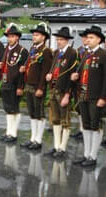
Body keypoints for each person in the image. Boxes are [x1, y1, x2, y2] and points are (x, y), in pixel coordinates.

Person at [71, 25, 106, 167]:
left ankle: (93, 156)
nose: (88, 40)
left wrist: (103, 97)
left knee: (95, 126)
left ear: (99, 39)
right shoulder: (86, 54)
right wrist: (76, 77)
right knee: (86, 125)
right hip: (83, 95)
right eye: (87, 37)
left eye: (91, 37)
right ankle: (86, 154)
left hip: (96, 96)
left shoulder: (105, 55)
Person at [45, 26, 78, 159]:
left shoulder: (72, 53)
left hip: (64, 91)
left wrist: (68, 94)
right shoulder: (56, 53)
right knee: (55, 119)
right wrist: (50, 76)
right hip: (54, 89)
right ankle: (56, 145)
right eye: (58, 39)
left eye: (62, 39)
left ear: (67, 40)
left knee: (65, 120)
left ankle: (63, 148)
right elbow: (54, 70)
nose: (59, 42)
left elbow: (72, 76)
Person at [20, 23, 52, 150]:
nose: (34, 37)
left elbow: (45, 71)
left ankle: (38, 140)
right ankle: (32, 138)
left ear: (43, 37)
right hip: (29, 84)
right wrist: (24, 67)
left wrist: (41, 88)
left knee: (39, 113)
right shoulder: (33, 49)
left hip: (37, 86)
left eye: (37, 35)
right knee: (32, 113)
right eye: (33, 35)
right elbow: (30, 65)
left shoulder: (46, 51)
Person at [0, 24, 29, 143]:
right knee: (7, 108)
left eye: (12, 36)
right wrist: (0, 65)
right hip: (6, 81)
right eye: (9, 36)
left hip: (15, 84)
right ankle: (9, 131)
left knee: (14, 108)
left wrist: (20, 86)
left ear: (17, 38)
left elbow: (22, 72)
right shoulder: (7, 49)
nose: (10, 39)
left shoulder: (22, 51)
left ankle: (13, 133)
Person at [71, 29, 89, 140]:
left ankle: (85, 130)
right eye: (83, 37)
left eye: (86, 37)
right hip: (78, 83)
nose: (84, 39)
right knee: (79, 108)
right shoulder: (79, 51)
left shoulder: (92, 52)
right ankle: (81, 129)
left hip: (87, 83)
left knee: (86, 108)